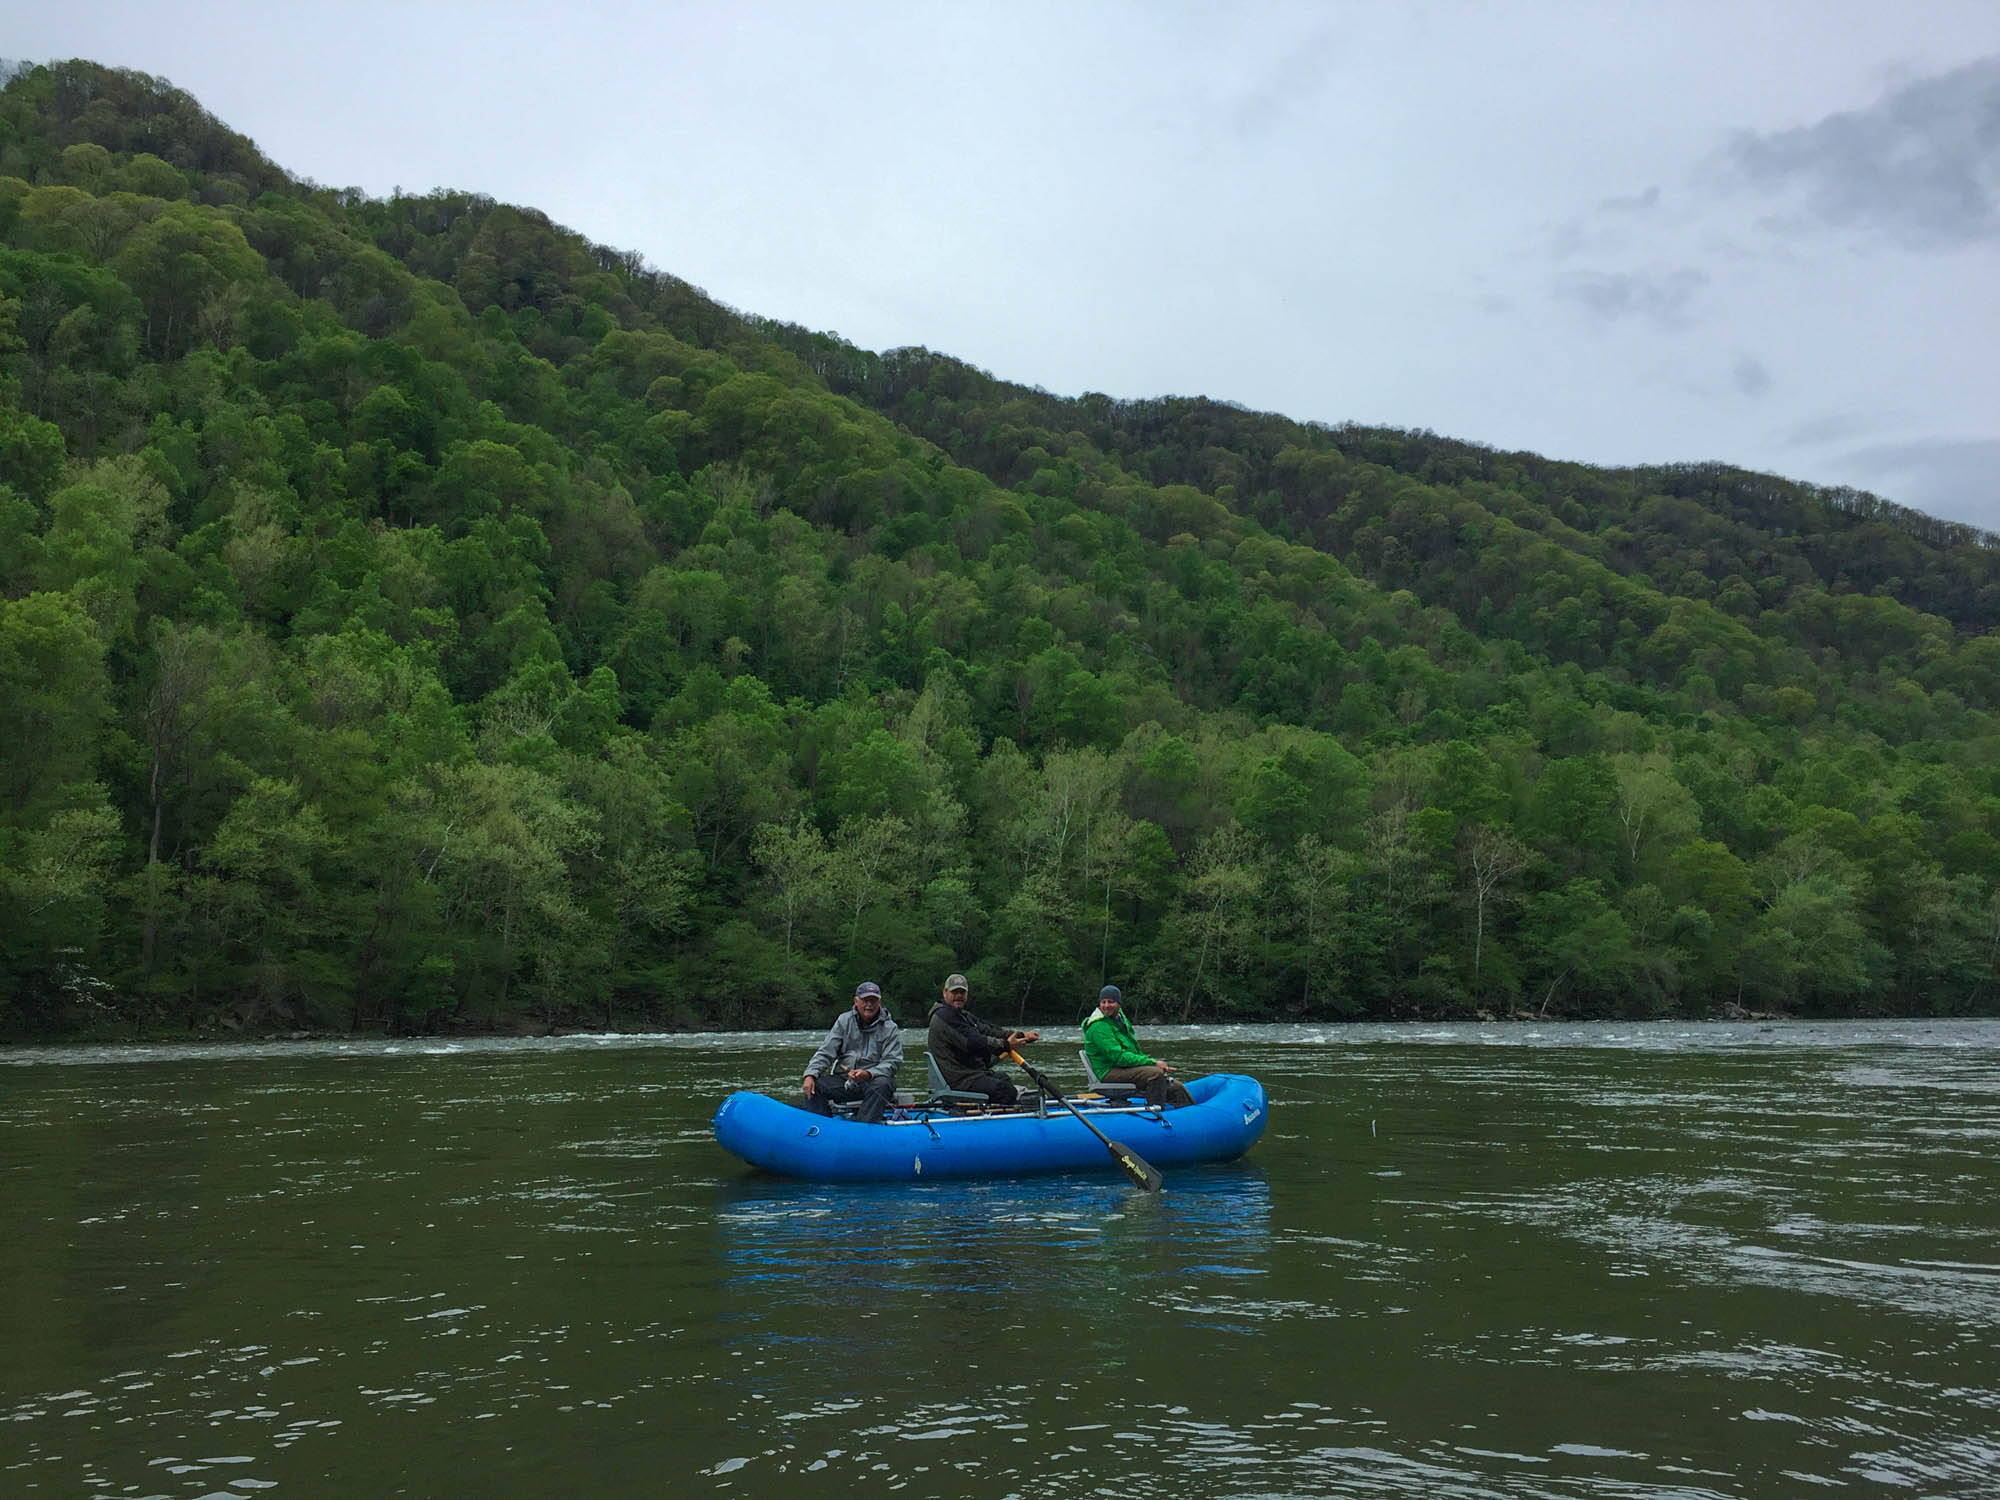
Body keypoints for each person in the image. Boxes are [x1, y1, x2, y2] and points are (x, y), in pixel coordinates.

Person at [927, 972, 1038, 1106]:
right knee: (1004, 1090)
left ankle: (1000, 1111)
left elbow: (988, 1029)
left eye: (962, 993)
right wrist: (1006, 1045)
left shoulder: (961, 1015)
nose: (958, 996)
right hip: (959, 1079)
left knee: (1003, 1078)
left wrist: (1022, 1035)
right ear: (945, 993)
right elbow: (974, 1042)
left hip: (970, 1073)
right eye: (954, 992)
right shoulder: (944, 1016)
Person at [801, 980, 903, 1124]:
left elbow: (893, 1062)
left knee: (883, 1084)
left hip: (874, 1080)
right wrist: (810, 1074)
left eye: (873, 1000)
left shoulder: (890, 1028)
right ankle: (821, 1127)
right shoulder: (844, 1021)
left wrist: (868, 1074)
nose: (869, 1005)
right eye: (865, 1000)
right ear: (856, 1001)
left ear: (879, 1002)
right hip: (844, 1080)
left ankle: (863, 1128)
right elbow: (826, 1052)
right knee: (815, 1086)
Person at [1081, 985, 1192, 1108]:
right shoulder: (1098, 1027)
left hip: (1122, 1068)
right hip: (1108, 1071)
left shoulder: (1119, 1018)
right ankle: (1156, 1112)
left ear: (1119, 1003)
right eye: (1103, 1002)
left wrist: (1148, 1063)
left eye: (1111, 1002)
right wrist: (1152, 1063)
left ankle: (1188, 1116)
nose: (1107, 1006)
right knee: (1155, 1074)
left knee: (1176, 1087)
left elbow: (1132, 1049)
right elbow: (1118, 1057)